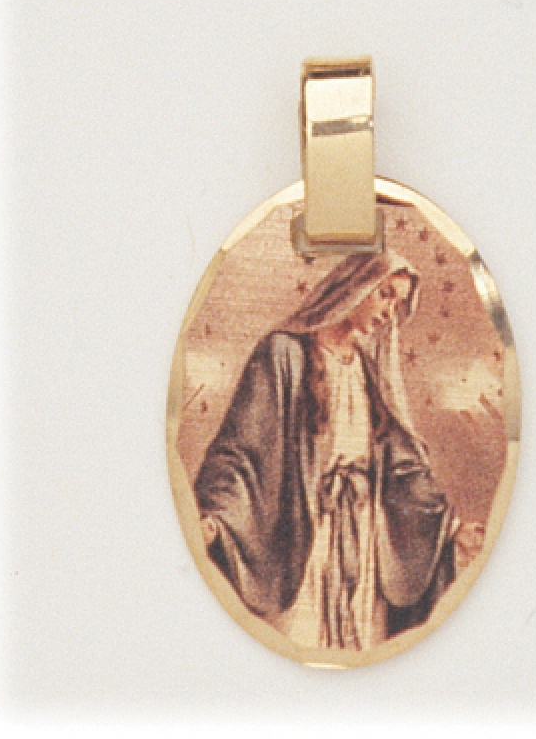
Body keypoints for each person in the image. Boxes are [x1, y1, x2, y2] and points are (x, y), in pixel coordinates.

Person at [195, 250, 481, 650]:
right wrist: (216, 514)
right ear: (354, 288)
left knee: (358, 646)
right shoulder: (283, 354)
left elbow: (403, 467)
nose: (389, 312)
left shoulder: (370, 369)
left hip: (363, 539)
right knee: (298, 641)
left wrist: (449, 527)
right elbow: (242, 449)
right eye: (384, 295)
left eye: (397, 303)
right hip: (305, 537)